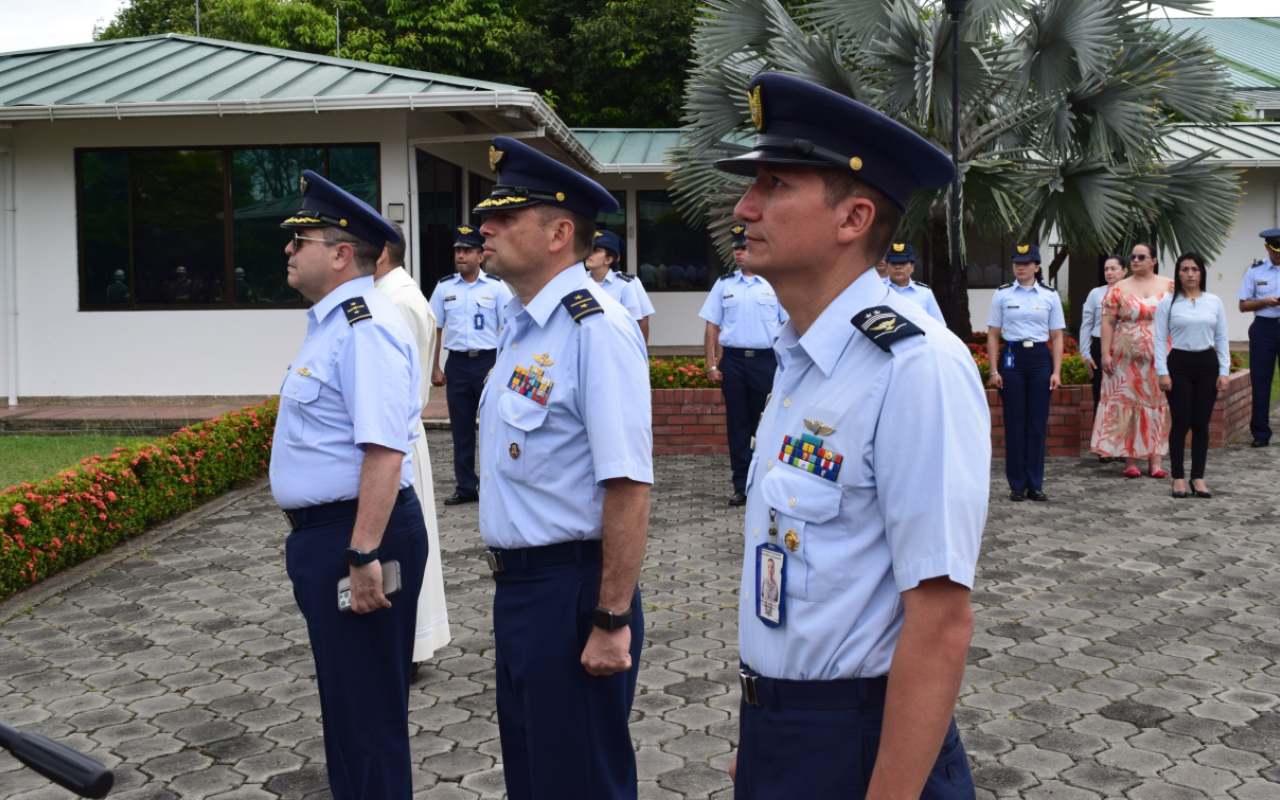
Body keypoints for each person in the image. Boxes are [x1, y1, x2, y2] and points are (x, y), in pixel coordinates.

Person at [715, 71, 988, 799]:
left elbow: (940, 622)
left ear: (854, 217)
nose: (744, 207)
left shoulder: (915, 366)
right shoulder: (803, 359)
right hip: (784, 732)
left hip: (864, 744)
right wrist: (766, 735)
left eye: (774, 184)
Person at [475, 136, 652, 800]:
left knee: (578, 780)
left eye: (504, 216)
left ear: (559, 232)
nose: (483, 227)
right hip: (520, 592)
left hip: (572, 591)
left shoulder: (594, 327)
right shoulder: (523, 327)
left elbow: (629, 484)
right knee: (537, 777)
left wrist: (610, 617)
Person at [272, 170, 426, 800]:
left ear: (341, 254)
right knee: (347, 708)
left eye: (299, 239)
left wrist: (364, 554)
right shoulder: (332, 324)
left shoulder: (366, 326)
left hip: (357, 536)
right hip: (331, 534)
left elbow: (385, 450)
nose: (287, 249)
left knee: (367, 716)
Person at [373, 222, 451, 663]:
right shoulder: (392, 293)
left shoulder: (397, 299)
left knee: (400, 548)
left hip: (397, 436)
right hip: (399, 436)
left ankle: (412, 645)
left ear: (381, 251)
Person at [701, 223, 787, 506]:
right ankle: (741, 485)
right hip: (734, 362)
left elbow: (788, 325)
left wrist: (788, 366)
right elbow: (712, 326)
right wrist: (711, 364)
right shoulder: (724, 285)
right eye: (737, 248)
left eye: (745, 248)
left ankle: (766, 484)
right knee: (737, 425)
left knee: (766, 425)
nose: (740, 253)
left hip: (766, 362)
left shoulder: (774, 284)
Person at [428, 225, 513, 505]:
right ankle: (466, 487)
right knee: (461, 431)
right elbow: (435, 330)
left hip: (488, 363)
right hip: (457, 364)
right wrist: (435, 367)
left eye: (467, 251)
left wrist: (502, 366)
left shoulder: (497, 288)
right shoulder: (444, 287)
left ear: (480, 256)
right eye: (458, 251)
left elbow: (509, 329)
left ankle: (494, 486)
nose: (461, 255)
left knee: (493, 428)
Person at [986, 246, 1065, 501]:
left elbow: (1056, 336)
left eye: (1027, 263)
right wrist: (993, 370)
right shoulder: (1002, 294)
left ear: (1037, 267)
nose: (1022, 267)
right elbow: (993, 334)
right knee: (1015, 421)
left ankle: (1036, 483)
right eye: (1018, 263)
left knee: (1036, 423)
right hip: (1012, 359)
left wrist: (1057, 371)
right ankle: (1017, 484)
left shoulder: (1049, 296)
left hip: (1040, 358)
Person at [1092, 243, 1174, 478]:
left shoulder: (1169, 286)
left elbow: (1178, 320)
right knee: (1129, 403)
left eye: (1141, 256)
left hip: (1159, 358)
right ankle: (1131, 460)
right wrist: (1105, 354)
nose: (1136, 260)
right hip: (1124, 358)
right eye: (1133, 256)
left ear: (1153, 261)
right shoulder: (1118, 288)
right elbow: (1108, 322)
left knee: (1157, 404)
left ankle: (1155, 462)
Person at [1156, 253, 1230, 499]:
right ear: (1178, 273)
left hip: (1207, 365)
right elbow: (1158, 339)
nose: (1190, 274)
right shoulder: (1169, 303)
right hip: (1179, 364)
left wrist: (1224, 371)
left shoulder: (1214, 301)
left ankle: (1197, 477)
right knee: (1180, 423)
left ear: (1202, 273)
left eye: (1195, 269)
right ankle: (1178, 478)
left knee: (1201, 424)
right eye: (1185, 269)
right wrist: (1162, 372)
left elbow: (1221, 338)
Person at [1238, 228, 1280, 447]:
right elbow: (1243, 305)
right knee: (1261, 381)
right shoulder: (1256, 271)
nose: (1278, 254)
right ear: (1267, 247)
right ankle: (1261, 433)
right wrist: (1265, 302)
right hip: (1264, 327)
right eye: (1275, 250)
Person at [587, 230, 655, 342]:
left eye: (596, 251)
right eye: (588, 249)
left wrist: (641, 353)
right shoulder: (579, 282)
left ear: (609, 259)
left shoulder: (626, 284)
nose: (589, 254)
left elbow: (638, 320)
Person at [1081, 257, 1127, 411]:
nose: (1109, 272)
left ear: (1124, 271)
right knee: (1100, 395)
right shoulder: (1095, 293)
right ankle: (1098, 433)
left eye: (1114, 268)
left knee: (1124, 394)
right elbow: (1086, 324)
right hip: (1098, 346)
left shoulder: (1132, 294)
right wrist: (1086, 354)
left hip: (1124, 346)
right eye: (1106, 269)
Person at [885, 243, 945, 323]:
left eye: (903, 263)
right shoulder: (878, 290)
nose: (898, 267)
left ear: (912, 267)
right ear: (887, 267)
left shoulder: (924, 293)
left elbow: (938, 325)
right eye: (893, 263)